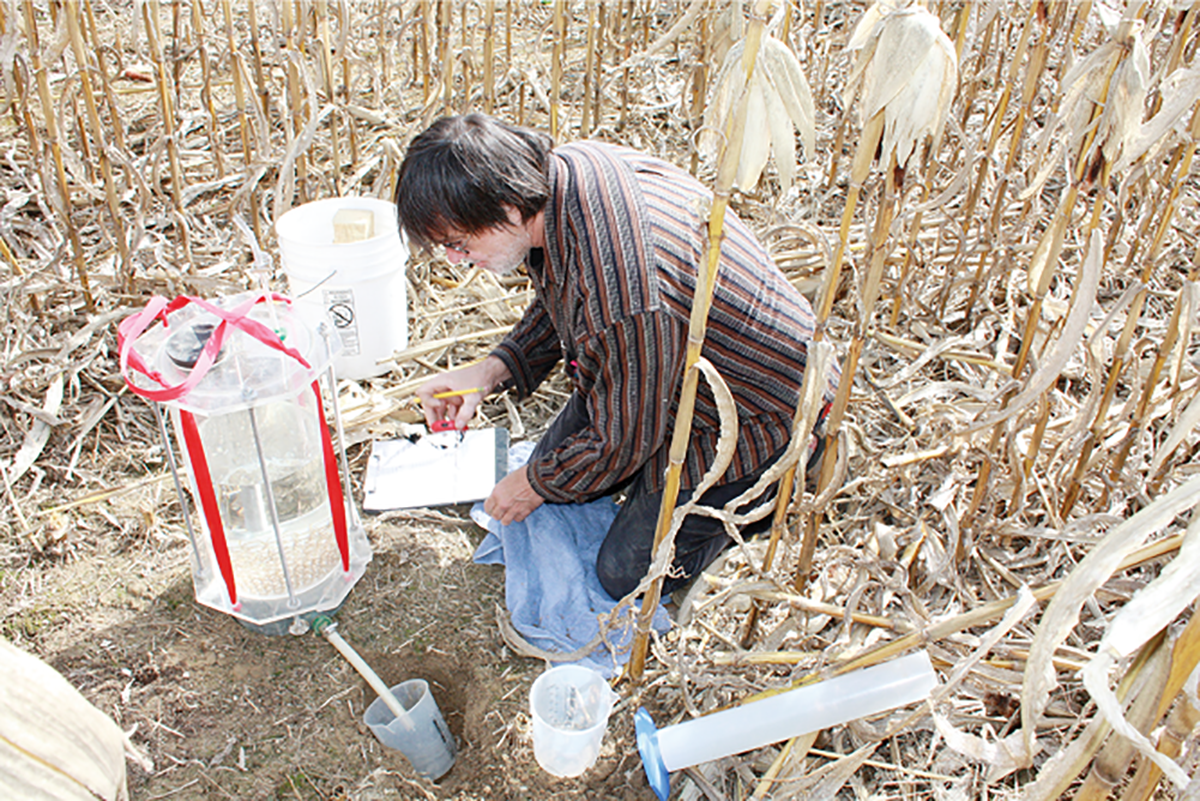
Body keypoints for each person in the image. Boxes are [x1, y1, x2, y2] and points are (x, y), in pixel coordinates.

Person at [395, 113, 836, 601]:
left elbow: (623, 436)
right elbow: (567, 297)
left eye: (459, 244)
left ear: (506, 203)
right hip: (659, 368)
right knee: (562, 477)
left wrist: (535, 483)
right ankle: (647, 481)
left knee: (624, 574)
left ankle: (772, 492)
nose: (457, 260)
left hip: (761, 412)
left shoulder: (623, 289)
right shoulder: (561, 178)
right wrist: (491, 370)